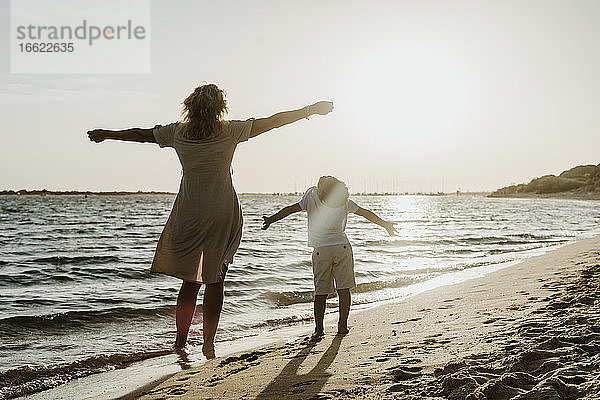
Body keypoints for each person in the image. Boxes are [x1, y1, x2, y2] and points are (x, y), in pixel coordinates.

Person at [87, 84, 334, 358]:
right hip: (221, 211)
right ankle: (208, 343)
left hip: (190, 211)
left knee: (190, 281)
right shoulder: (230, 130)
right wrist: (311, 110)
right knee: (215, 277)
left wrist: (107, 134)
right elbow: (274, 121)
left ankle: (180, 342)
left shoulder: (176, 132)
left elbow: (140, 135)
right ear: (219, 107)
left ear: (190, 106)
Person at [261, 176, 396, 338]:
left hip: (321, 251)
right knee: (343, 289)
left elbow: (289, 209)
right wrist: (385, 224)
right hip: (342, 248)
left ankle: (319, 329)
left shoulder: (311, 199)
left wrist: (271, 220)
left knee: (321, 292)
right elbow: (365, 214)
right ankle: (342, 326)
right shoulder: (344, 201)